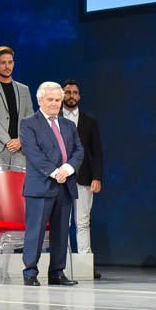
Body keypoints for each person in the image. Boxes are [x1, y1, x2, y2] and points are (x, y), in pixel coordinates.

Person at [20, 82, 83, 287]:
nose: (55, 103)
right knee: (35, 231)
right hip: (41, 186)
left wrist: (68, 169)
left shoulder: (68, 125)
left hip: (65, 185)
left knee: (61, 232)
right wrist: (56, 172)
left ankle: (57, 272)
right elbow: (34, 154)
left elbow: (78, 151)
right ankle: (30, 272)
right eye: (51, 100)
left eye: (58, 100)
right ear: (40, 100)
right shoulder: (29, 123)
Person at [61, 80, 103, 279]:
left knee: (82, 222)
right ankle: (63, 264)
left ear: (79, 96)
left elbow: (97, 152)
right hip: (59, 178)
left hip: (84, 178)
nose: (71, 95)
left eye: (74, 92)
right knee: (63, 221)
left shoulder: (90, 121)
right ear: (62, 95)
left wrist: (97, 177)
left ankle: (85, 263)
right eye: (67, 92)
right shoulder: (53, 118)